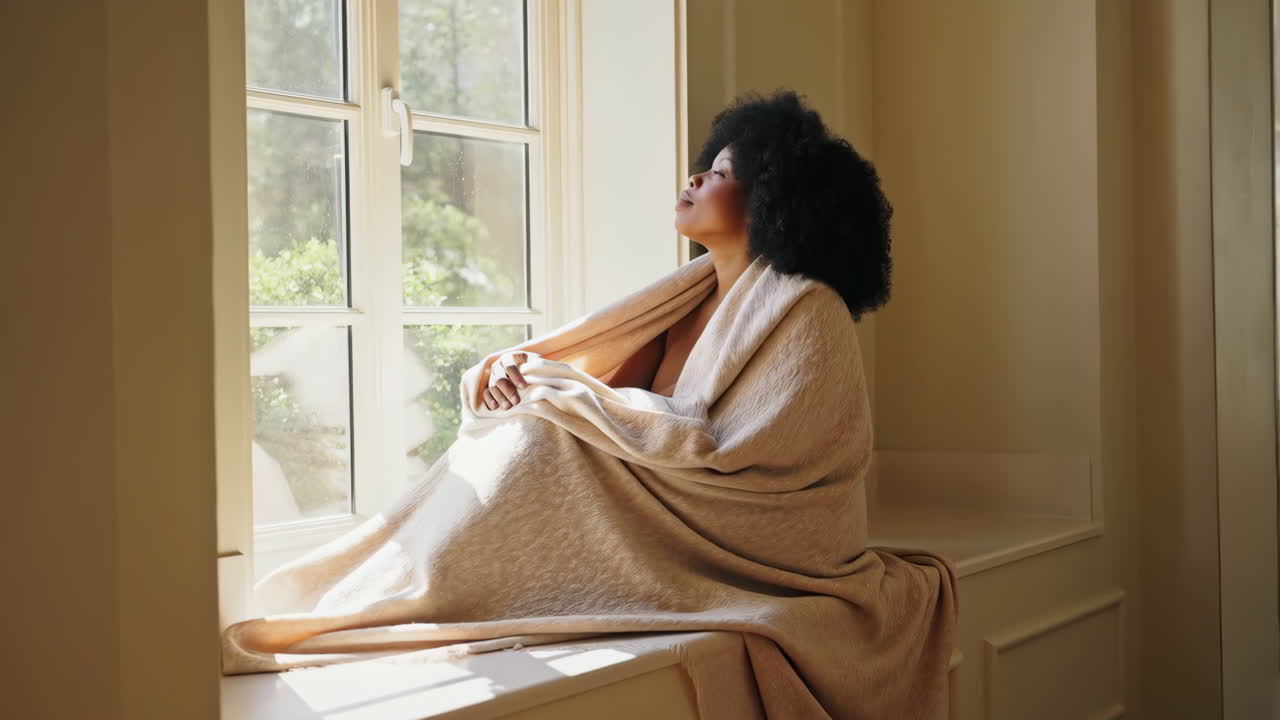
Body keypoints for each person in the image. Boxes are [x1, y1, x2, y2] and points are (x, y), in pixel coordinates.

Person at [481, 87, 892, 409]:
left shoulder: (807, 309)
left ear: (771, 203)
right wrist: (527, 380)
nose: (694, 178)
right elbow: (607, 418)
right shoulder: (678, 307)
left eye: (719, 173)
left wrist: (554, 392)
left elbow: (758, 446)